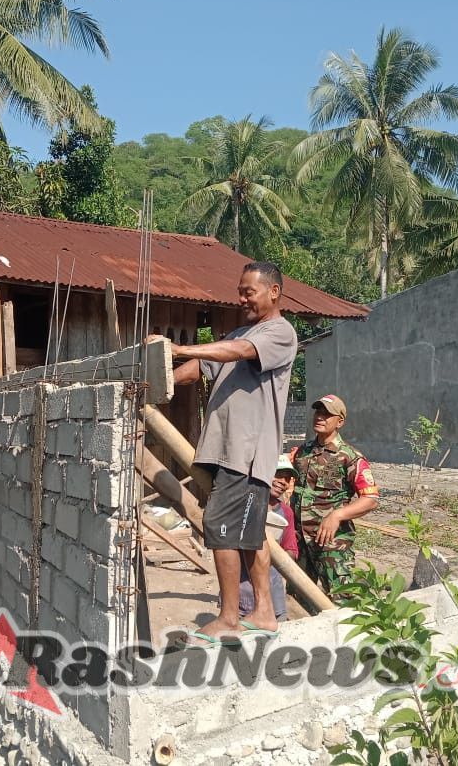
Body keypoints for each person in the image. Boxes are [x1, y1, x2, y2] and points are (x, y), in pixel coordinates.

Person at [151, 261, 296, 645]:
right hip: (227, 451)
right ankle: (263, 611)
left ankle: (230, 616)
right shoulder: (239, 333)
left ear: (274, 293)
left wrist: (177, 346)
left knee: (220, 527)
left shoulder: (278, 332)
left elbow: (238, 351)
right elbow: (201, 368)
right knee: (251, 537)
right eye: (240, 290)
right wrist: (161, 379)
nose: (242, 297)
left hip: (246, 453)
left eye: (249, 291)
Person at [290, 394, 379, 600]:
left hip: (331, 544)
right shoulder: (303, 453)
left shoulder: (349, 456)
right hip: (300, 541)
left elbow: (371, 499)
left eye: (327, 414)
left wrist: (337, 515)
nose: (320, 417)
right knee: (297, 600)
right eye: (318, 412)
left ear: (340, 422)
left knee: (341, 599)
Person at [231, 455, 299, 622]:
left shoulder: (286, 512)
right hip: (241, 593)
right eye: (278, 474)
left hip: (273, 596)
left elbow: (291, 550)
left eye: (287, 478)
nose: (283, 482)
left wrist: (272, 555)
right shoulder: (242, 504)